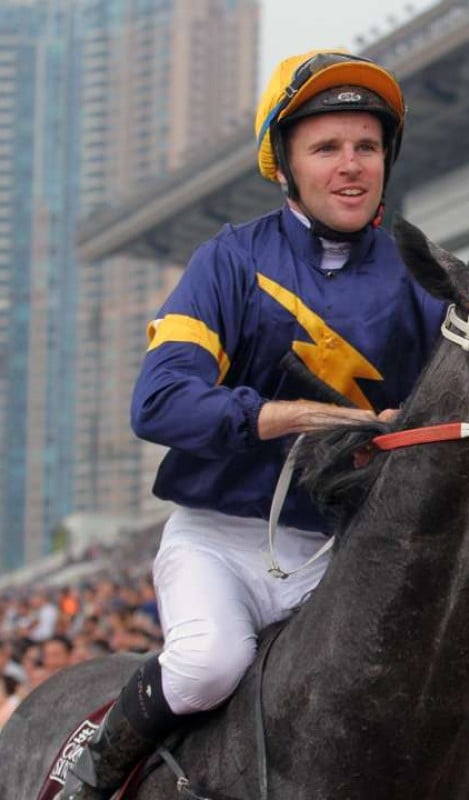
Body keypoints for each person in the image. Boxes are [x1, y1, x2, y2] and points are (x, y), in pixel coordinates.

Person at [60, 50, 446, 799]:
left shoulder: (418, 272)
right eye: (326, 148)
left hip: (344, 551)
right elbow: (160, 401)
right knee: (208, 665)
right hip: (221, 541)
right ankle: (94, 769)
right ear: (285, 165)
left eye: (366, 146)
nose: (351, 166)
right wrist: (293, 416)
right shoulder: (228, 261)